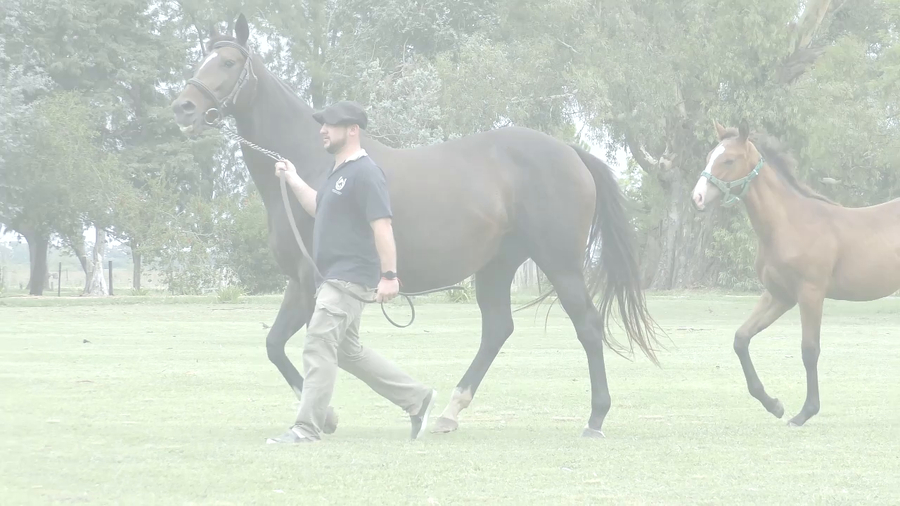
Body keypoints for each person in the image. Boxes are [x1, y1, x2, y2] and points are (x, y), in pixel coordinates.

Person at [266, 100, 436, 444]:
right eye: (322, 124)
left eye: (330, 124)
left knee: (317, 343)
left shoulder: (366, 172)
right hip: (332, 276)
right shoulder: (339, 173)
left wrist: (389, 275)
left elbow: (383, 225)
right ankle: (417, 398)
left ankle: (306, 428)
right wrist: (293, 177)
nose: (322, 130)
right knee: (347, 351)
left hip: (349, 277)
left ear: (352, 130)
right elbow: (318, 207)